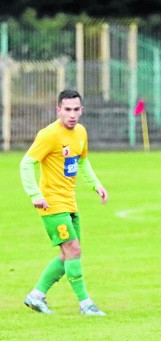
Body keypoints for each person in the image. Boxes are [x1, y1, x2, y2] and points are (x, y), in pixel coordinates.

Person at [20, 89, 108, 316]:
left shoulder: (80, 133)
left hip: (70, 203)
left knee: (67, 255)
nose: (72, 114)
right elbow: (26, 163)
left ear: (82, 110)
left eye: (76, 109)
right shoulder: (48, 135)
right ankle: (85, 303)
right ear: (58, 110)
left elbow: (82, 161)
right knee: (74, 249)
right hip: (51, 205)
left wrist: (96, 184)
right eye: (67, 109)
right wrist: (35, 194)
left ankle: (36, 296)